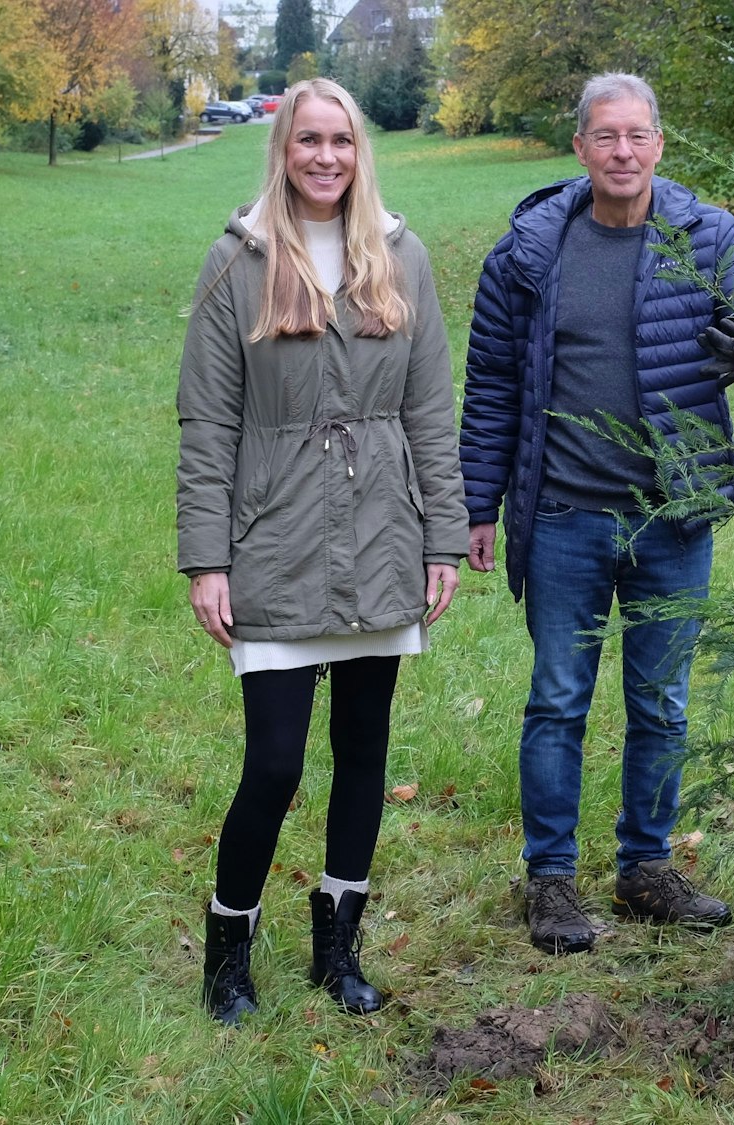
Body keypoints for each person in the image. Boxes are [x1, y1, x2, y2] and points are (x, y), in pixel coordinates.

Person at [458, 72, 734, 955]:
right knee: (558, 699)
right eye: (605, 136)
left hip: (674, 517)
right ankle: (550, 879)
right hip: (566, 513)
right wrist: (477, 505)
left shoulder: (706, 235)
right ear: (578, 147)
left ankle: (645, 868)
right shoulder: (530, 252)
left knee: (662, 702)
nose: (623, 152)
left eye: (638, 136)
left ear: (660, 145)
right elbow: (492, 388)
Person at [175, 78, 468, 1024]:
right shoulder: (239, 260)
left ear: (360, 149)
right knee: (274, 764)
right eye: (309, 140)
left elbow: (430, 410)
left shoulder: (404, 254)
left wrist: (443, 539)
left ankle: (337, 947)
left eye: (342, 140)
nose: (327, 158)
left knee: (363, 754)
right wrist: (207, 559)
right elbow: (208, 422)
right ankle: (229, 949)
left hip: (383, 534)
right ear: (283, 148)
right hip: (276, 539)